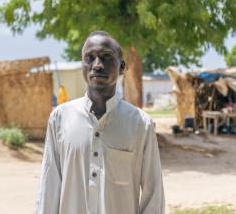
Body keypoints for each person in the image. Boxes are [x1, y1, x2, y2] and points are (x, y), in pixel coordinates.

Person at [35, 31, 165, 213]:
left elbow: (154, 195)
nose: (97, 65)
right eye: (89, 58)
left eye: (106, 57)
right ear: (82, 66)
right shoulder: (60, 118)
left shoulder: (140, 124)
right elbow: (49, 187)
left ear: (122, 67)